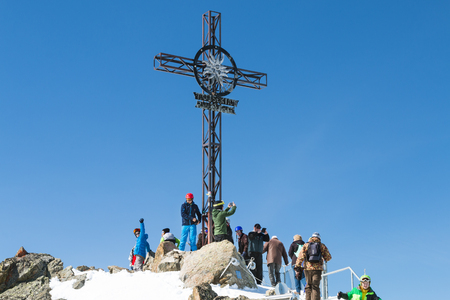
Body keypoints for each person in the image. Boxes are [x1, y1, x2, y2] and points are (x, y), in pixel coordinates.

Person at [295, 232, 332, 300]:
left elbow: (300, 256)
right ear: (319, 238)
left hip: (307, 269)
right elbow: (328, 257)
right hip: (317, 269)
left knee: (308, 286)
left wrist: (298, 266)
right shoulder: (322, 246)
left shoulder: (306, 245)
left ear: (312, 237)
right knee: (315, 286)